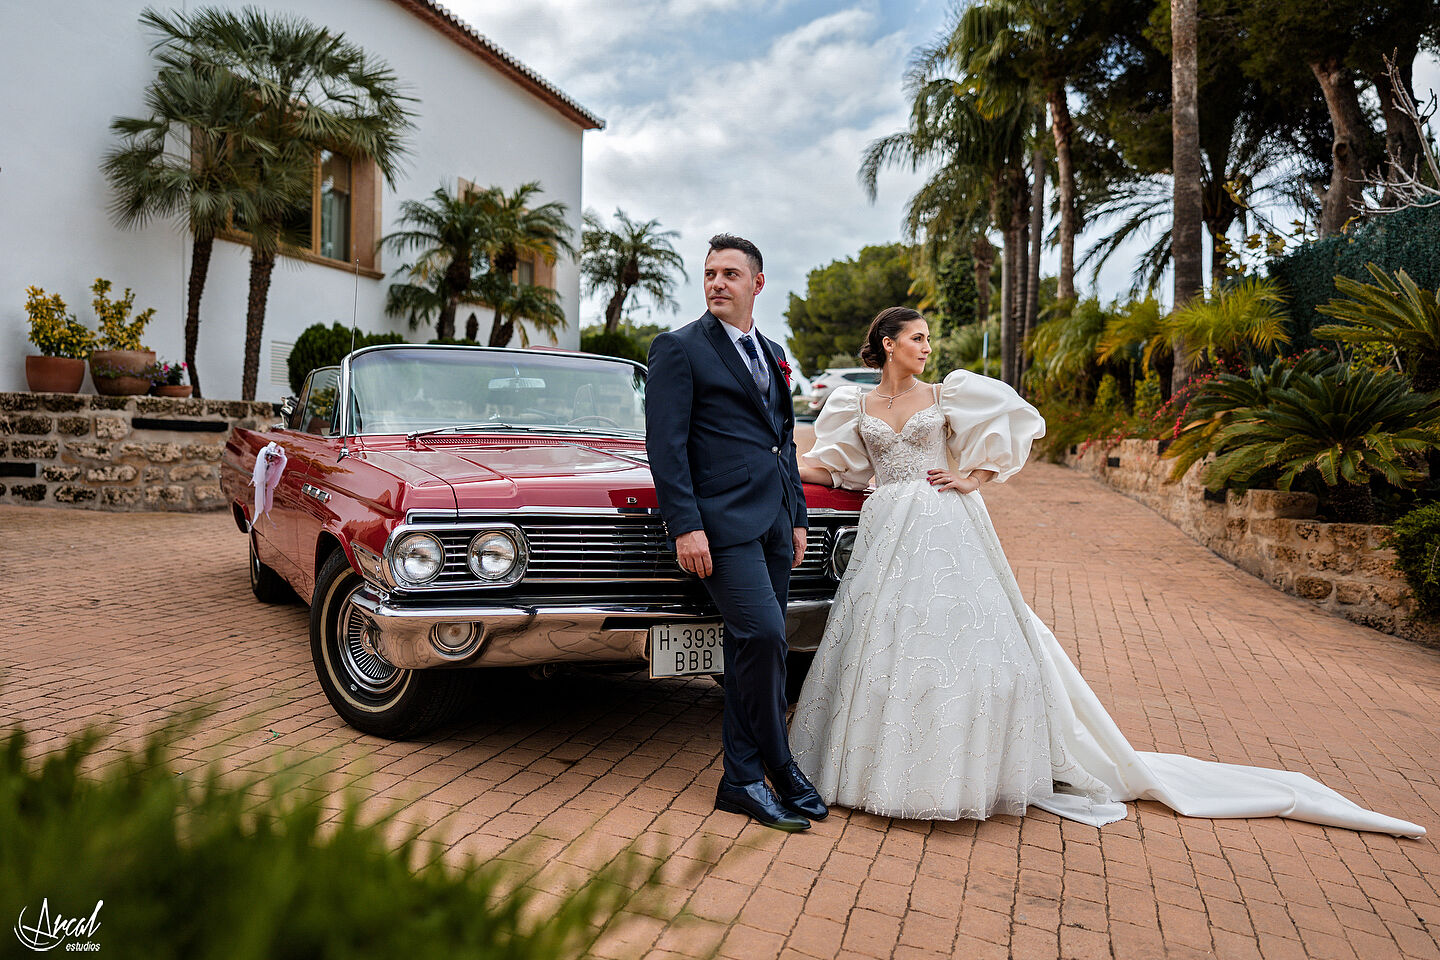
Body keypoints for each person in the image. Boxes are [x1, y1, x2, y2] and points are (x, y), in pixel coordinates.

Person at [790, 306, 1424, 836]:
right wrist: (776, 469)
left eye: (929, 338)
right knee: (885, 645)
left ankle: (954, 772)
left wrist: (972, 477)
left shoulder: (947, 393)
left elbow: (1014, 428)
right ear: (887, 345)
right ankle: (871, 766)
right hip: (886, 526)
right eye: (918, 338)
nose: (928, 347)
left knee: (954, 643)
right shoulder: (855, 403)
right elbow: (834, 465)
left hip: (944, 523)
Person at [645, 234, 828, 832]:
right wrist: (686, 526)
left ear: (757, 283)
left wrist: (797, 514)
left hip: (773, 520)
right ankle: (775, 763)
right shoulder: (678, 349)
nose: (716, 283)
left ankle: (742, 778)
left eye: (729, 273)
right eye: (709, 274)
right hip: (719, 525)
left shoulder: (772, 352)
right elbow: (665, 448)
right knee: (766, 636)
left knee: (755, 651)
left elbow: (785, 439)